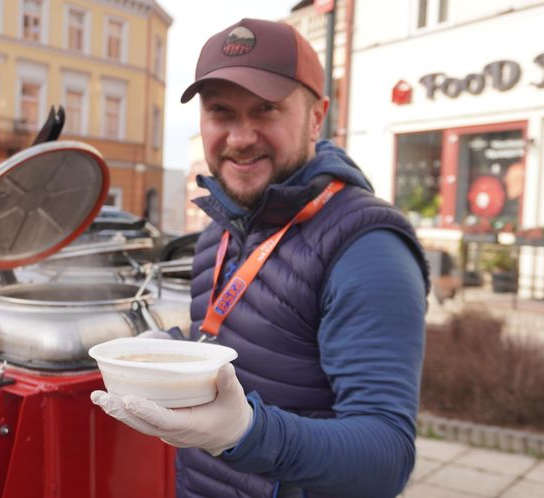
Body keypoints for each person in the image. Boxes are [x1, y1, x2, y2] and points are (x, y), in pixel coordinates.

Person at [91, 17, 429, 498]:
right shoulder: (221, 228)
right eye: (221, 111)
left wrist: (243, 433)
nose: (240, 137)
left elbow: (387, 457)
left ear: (317, 117)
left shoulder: (367, 245)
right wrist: (171, 351)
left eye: (266, 109)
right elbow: (253, 348)